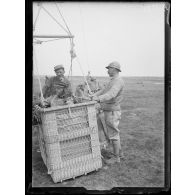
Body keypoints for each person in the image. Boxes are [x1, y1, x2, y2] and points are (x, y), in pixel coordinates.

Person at [91, 61, 125, 165]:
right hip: (109, 110)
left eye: (109, 68)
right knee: (112, 133)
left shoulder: (118, 81)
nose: (107, 70)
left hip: (112, 112)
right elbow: (103, 90)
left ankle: (116, 158)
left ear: (114, 69)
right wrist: (93, 96)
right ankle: (120, 153)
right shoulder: (112, 80)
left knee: (113, 134)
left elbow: (111, 94)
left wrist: (98, 99)